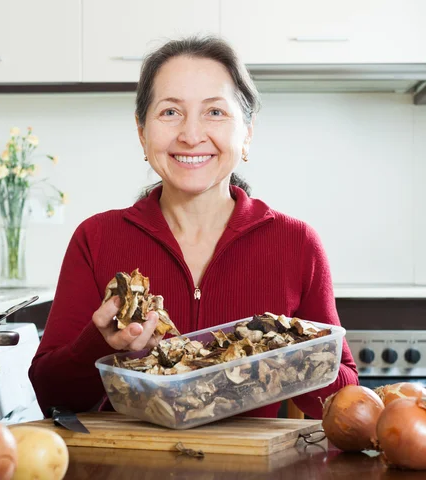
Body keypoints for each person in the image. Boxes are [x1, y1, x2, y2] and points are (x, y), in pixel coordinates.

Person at [28, 35, 358, 420]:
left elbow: (345, 404)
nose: (191, 134)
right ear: (142, 132)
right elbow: (51, 397)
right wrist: (97, 345)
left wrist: (291, 358)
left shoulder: (296, 243)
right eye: (170, 112)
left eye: (215, 112)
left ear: (247, 132)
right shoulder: (97, 239)